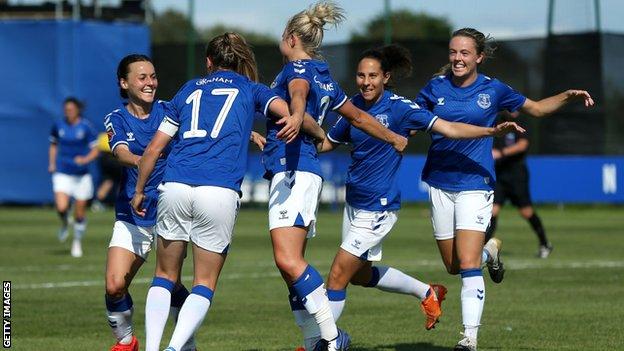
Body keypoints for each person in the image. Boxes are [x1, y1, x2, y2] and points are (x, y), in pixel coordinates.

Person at [314, 44, 523, 333]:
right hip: (355, 204)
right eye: (361, 75)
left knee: (337, 275)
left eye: (373, 75)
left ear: (385, 77)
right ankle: (428, 292)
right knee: (359, 275)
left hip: (379, 206)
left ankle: (320, 342)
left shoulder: (400, 108)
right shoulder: (353, 107)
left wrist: (491, 131)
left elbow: (448, 128)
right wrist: (291, 138)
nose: (366, 82)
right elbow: (326, 143)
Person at [415, 27, 594, 351]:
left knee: (468, 264)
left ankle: (469, 337)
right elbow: (413, 121)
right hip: (440, 182)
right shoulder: (434, 88)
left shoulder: (493, 89)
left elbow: (537, 108)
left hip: (476, 182)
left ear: (479, 57)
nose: (457, 58)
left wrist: (566, 97)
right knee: (453, 266)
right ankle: (490, 252)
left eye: (465, 53)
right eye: (454, 52)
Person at [131, 32, 303, 351]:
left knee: (164, 276)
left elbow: (154, 149)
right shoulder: (250, 89)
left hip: (175, 186)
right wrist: (295, 116)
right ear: (239, 60)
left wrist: (140, 190)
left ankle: (153, 348)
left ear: (209, 62)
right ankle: (174, 348)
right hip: (218, 190)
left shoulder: (187, 90)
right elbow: (282, 107)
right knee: (204, 283)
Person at [263, 2, 409, 350]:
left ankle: (330, 337)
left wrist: (297, 115)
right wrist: (392, 137)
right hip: (298, 169)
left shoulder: (296, 68)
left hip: (294, 170)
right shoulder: (324, 75)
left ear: (291, 37)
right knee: (290, 268)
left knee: (288, 260)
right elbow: (357, 117)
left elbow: (298, 90)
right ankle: (317, 340)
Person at [103, 54, 201, 351]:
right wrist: (143, 160)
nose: (150, 83)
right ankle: (126, 341)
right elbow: (120, 152)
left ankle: (186, 343)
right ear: (124, 82)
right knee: (114, 285)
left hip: (169, 211)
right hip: (131, 214)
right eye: (142, 77)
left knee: (171, 284)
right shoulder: (116, 118)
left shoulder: (169, 110)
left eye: (153, 76)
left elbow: (204, 131)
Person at [486, 112, 553, 258]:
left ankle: (545, 244)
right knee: (492, 211)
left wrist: (502, 153)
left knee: (526, 212)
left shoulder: (522, 122)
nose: (514, 109)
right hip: (500, 175)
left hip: (517, 176)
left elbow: (523, 145)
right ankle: (483, 248)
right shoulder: (496, 122)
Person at [48, 97, 99, 258]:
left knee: (79, 214)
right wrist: (52, 163)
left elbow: (95, 150)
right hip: (62, 172)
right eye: (66, 109)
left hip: (81, 176)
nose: (68, 112)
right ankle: (64, 222)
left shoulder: (86, 127)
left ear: (77, 110)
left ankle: (77, 242)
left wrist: (85, 159)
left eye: (71, 109)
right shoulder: (58, 125)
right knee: (62, 207)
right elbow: (53, 144)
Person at [91, 132, 123, 212]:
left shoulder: (103, 135)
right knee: (122, 180)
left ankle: (97, 202)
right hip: (114, 158)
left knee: (108, 181)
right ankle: (122, 202)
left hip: (105, 159)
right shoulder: (120, 133)